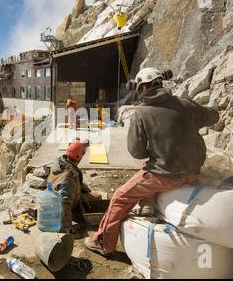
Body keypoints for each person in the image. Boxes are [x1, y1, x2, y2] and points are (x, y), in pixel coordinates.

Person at [84, 67, 219, 257]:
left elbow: (136, 152)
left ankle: (103, 243)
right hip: (193, 171)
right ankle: (147, 204)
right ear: (161, 83)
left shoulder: (142, 112)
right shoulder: (186, 104)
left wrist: (154, 150)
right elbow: (213, 116)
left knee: (121, 196)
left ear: (142, 88)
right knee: (146, 173)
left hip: (166, 175)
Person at [47, 140, 89, 233]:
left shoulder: (61, 161)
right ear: (79, 156)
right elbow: (64, 202)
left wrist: (84, 188)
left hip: (53, 201)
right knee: (97, 198)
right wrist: (66, 225)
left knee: (95, 196)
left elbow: (76, 180)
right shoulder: (68, 177)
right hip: (59, 208)